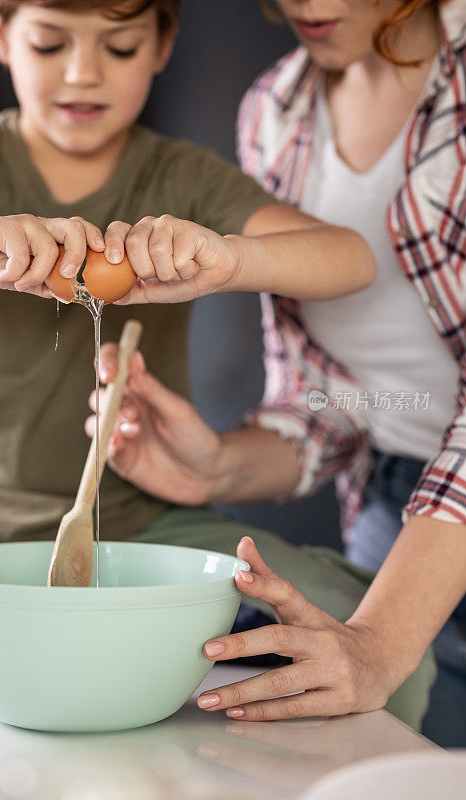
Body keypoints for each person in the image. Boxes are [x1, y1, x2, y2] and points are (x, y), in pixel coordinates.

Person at [90, 0, 466, 745]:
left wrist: (382, 641)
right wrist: (217, 469)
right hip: (394, 518)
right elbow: (334, 397)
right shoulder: (274, 110)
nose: (306, 4)